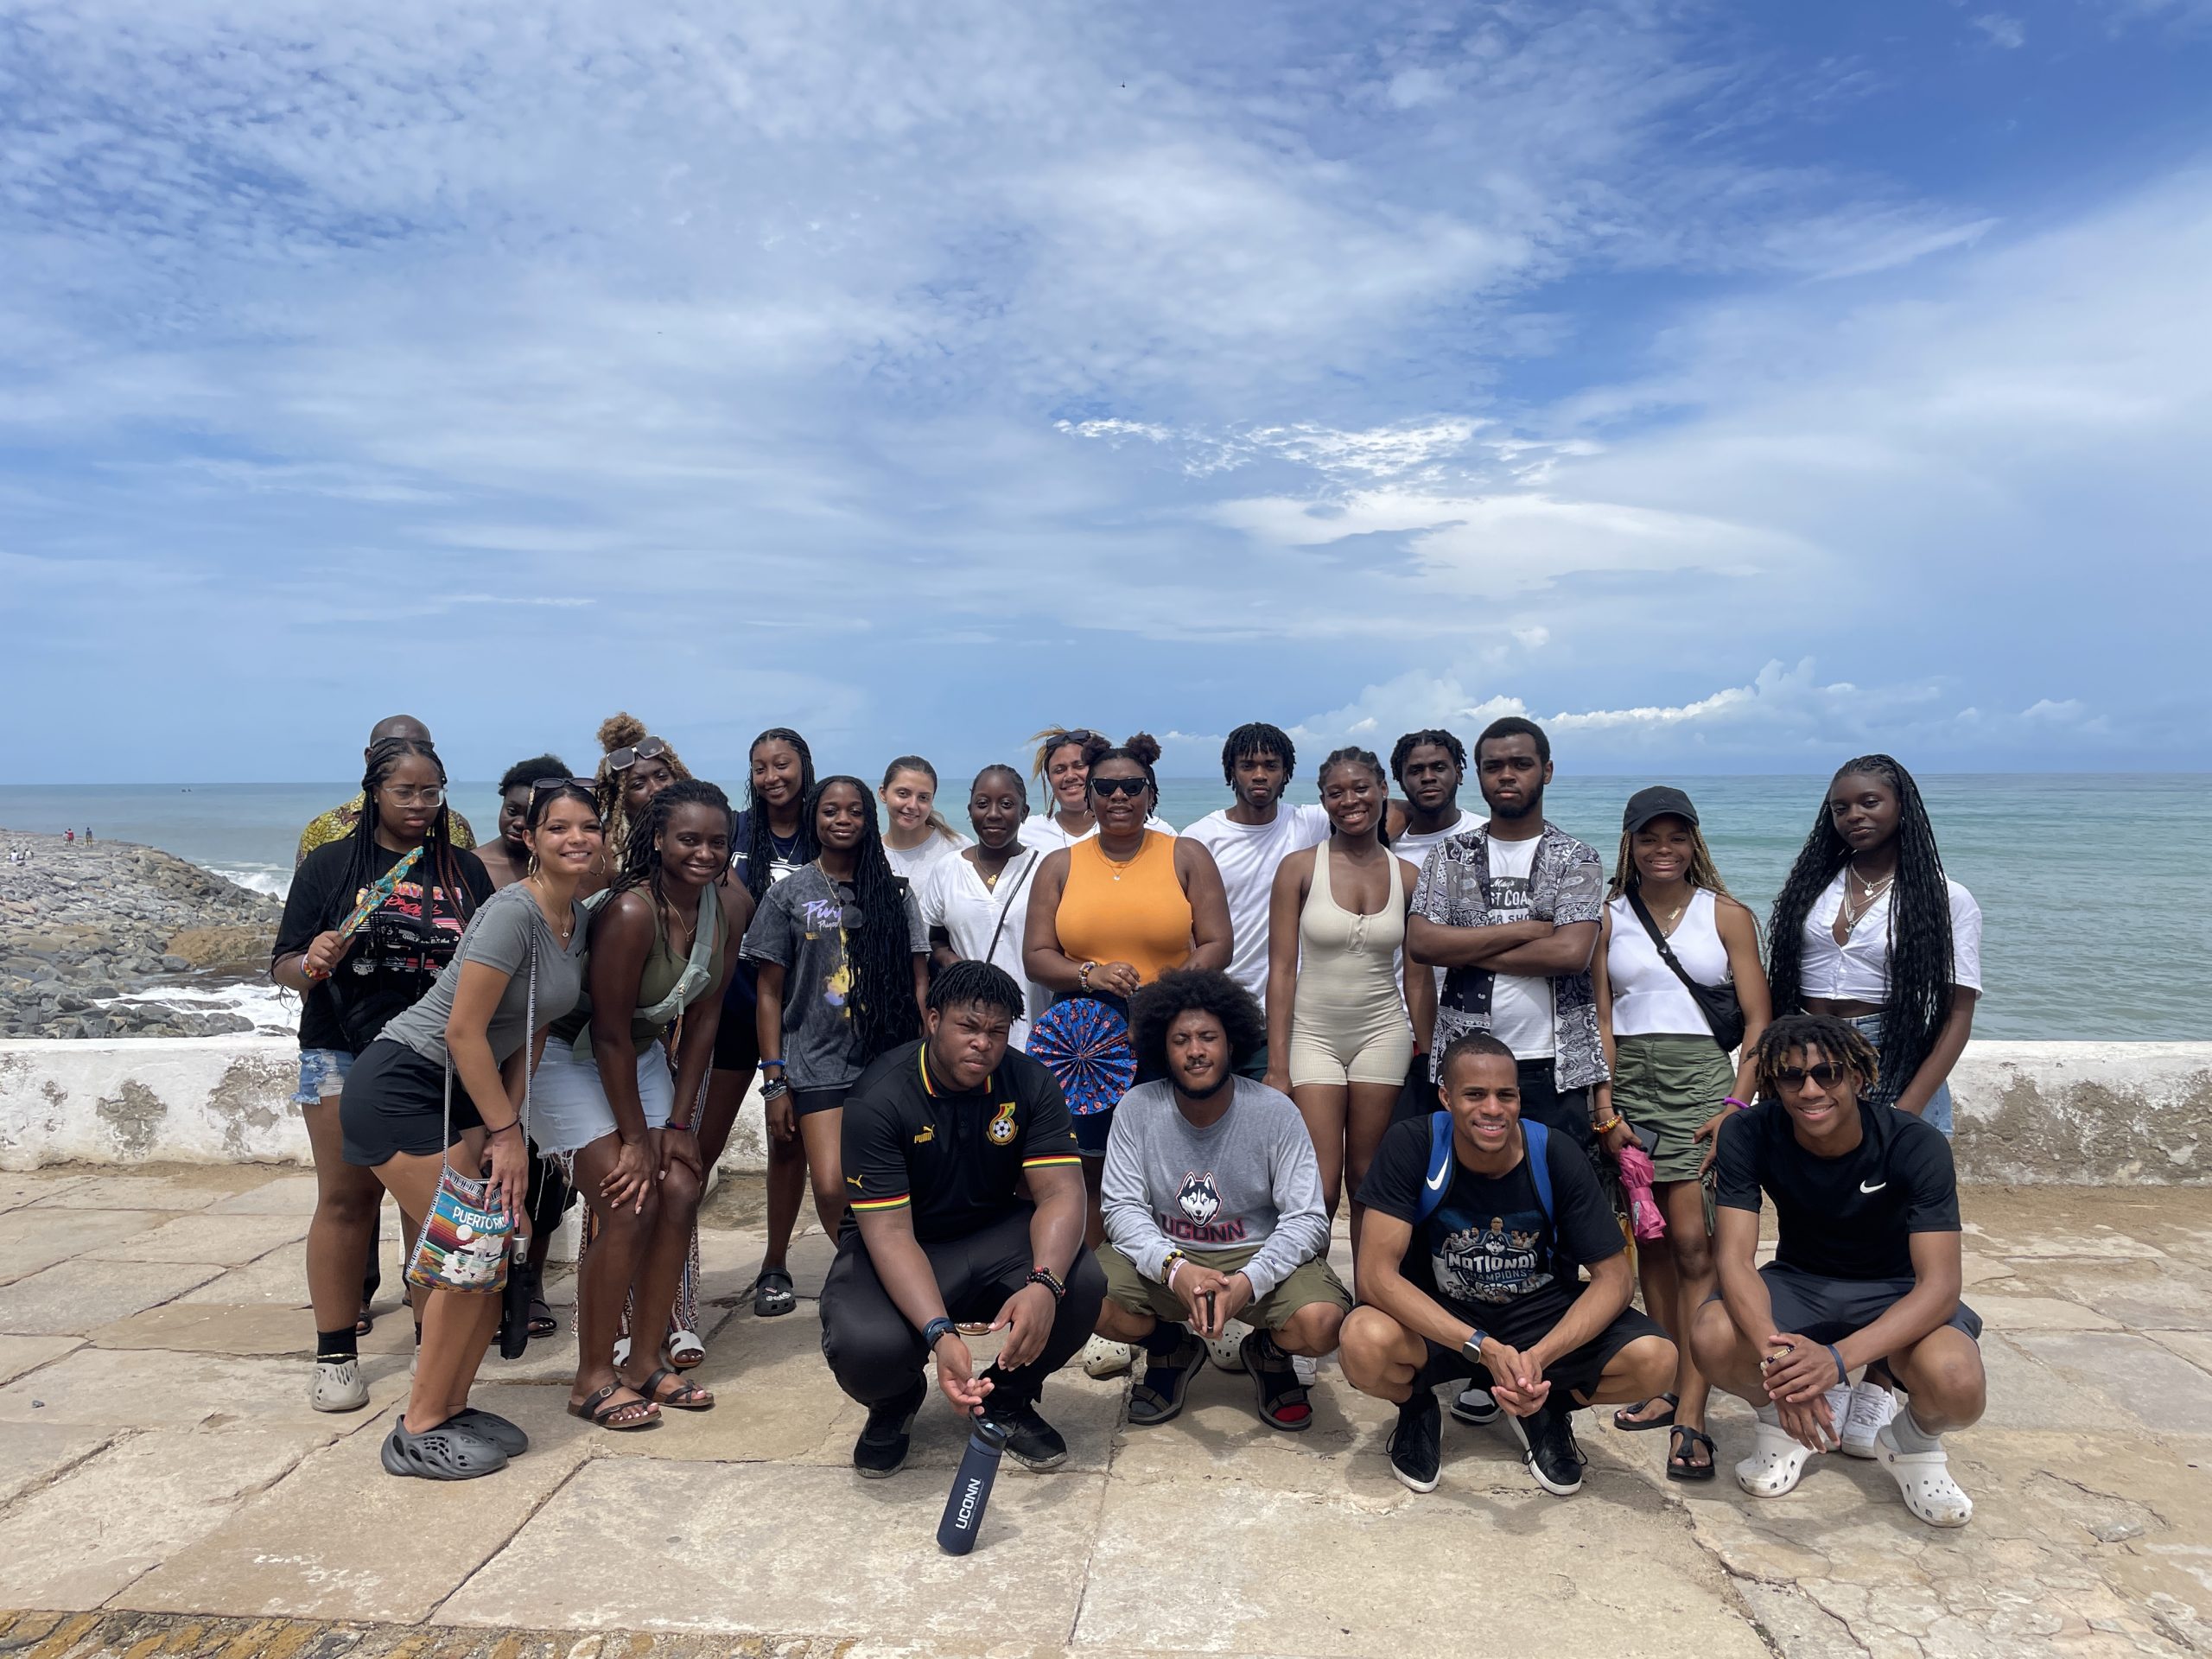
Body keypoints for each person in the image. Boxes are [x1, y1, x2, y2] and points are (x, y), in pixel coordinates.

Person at [340, 780, 601, 1479]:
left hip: (466, 1097)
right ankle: (417, 1424)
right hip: (405, 1083)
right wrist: (508, 1133)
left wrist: (501, 1129)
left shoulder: (573, 921)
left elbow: (528, 1037)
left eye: (588, 827)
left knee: (482, 1258)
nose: (575, 839)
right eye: (558, 828)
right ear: (531, 839)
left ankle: (451, 1404)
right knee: (469, 1253)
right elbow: (461, 1030)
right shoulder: (511, 913)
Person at [1340, 1033, 1675, 1498]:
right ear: (1446, 1097)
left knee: (1656, 1361)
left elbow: (1615, 1278)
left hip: (1537, 1317)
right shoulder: (1413, 1144)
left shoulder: (1553, 1151)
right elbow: (1376, 1275)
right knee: (1362, 1340)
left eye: (1506, 1094)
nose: (1493, 1109)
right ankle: (1417, 1408)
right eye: (1475, 1094)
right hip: (1444, 1315)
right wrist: (1481, 1346)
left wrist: (1540, 1359)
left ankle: (1546, 1406)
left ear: (1520, 1097)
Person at [1766, 755, 1983, 1451]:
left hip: (1894, 1052)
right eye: (1840, 807)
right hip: (1809, 1051)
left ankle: (1883, 1379)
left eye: (1868, 803)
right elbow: (1782, 988)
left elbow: (1955, 1014)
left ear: (1901, 807)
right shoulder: (1813, 887)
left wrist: (1909, 1108)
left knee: (1896, 1228)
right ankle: (1830, 1353)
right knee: (1820, 1208)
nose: (1854, 816)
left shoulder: (1944, 897)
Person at [1692, 1015, 1985, 1529]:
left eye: (1827, 1074)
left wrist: (1834, 1361)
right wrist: (1779, 1362)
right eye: (1791, 1078)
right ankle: (1780, 1425)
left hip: (1897, 1290)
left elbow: (1940, 1287)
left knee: (1957, 1383)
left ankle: (1910, 1444)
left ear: (1857, 1078)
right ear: (1771, 1086)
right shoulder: (1748, 1132)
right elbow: (1734, 1260)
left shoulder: (1915, 1144)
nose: (1810, 1090)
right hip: (1802, 1280)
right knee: (1712, 1332)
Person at [274, 735, 493, 1410]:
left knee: (432, 1212)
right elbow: (284, 966)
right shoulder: (330, 868)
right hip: (341, 1049)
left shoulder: (464, 872)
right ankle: (336, 1353)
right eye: (406, 792)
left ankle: (433, 1344)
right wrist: (311, 959)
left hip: (434, 1061)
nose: (421, 805)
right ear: (374, 791)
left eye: (433, 792)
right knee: (346, 1199)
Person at [820, 960, 1104, 1477]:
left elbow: (1062, 1194)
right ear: (932, 1020)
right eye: (968, 1027)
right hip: (905, 1241)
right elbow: (888, 1232)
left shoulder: (1030, 1082)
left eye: (997, 1031)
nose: (983, 1043)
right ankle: (895, 1402)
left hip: (993, 1234)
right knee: (865, 1346)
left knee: (1080, 1281)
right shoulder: (879, 1096)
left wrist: (1044, 1284)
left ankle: (1008, 1398)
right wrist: (939, 1333)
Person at [1023, 733, 1231, 1378]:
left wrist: (1166, 992)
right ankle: (1102, 1302)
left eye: (1130, 787)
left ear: (1150, 794)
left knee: (1175, 1164)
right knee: (1086, 1168)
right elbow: (1038, 955)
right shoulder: (1060, 865)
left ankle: (1194, 1293)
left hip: (1169, 1028)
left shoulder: (1185, 854)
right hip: (1085, 1039)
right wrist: (1088, 975)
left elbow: (1217, 941)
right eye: (1104, 787)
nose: (1117, 797)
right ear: (1087, 793)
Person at [535, 781, 734, 1428]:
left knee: (679, 1188)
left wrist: (680, 1125)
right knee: (629, 1199)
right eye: (689, 839)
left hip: (640, 1055)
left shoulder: (725, 906)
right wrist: (636, 1139)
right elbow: (609, 1032)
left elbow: (703, 1020)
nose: (704, 853)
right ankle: (590, 1376)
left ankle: (645, 1361)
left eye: (717, 841)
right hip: (572, 1056)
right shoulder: (631, 913)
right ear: (657, 840)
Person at [1590, 785, 1772, 1480]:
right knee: (1655, 1245)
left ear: (1695, 842)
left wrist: (1736, 1102)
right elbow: (1601, 1019)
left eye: (1676, 837)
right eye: (1648, 838)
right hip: (1631, 1078)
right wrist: (1605, 1106)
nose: (1662, 850)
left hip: (1701, 1079)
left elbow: (1759, 1020)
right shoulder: (1608, 918)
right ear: (1629, 844)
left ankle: (1693, 1410)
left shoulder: (1726, 916)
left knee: (1698, 1247)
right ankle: (1667, 1379)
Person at [1097, 969, 1348, 1432]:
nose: (1196, 1051)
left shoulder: (1274, 1112)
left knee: (1322, 1324)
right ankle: (1168, 1347)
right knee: (1083, 1294)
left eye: (1208, 1037)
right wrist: (1175, 1269)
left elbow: (1308, 1217)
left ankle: (1270, 1352)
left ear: (1232, 1042)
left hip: (1256, 1254)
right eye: (1181, 1040)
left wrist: (1250, 1281)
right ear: (1162, 1048)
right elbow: (1121, 1210)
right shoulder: (1136, 1109)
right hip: (1171, 1253)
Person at [742, 775, 930, 1254]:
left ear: (869, 819)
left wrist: (927, 1055)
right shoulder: (787, 894)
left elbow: (918, 982)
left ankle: (886, 1270)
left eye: (854, 811)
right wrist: (774, 1079)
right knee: (830, 1184)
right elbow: (768, 992)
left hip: (890, 1057)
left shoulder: (896, 894)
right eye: (830, 810)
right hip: (815, 1059)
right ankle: (860, 1264)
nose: (843, 820)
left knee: (898, 1180)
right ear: (814, 817)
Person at [1406, 718, 1605, 1158]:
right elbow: (1422, 944)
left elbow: (1571, 953)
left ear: (1546, 771)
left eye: (1521, 764)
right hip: (1465, 1059)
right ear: (1478, 775)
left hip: (1553, 1061)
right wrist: (1523, 932)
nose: (1507, 775)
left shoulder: (1576, 857)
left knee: (1556, 1193)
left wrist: (1465, 948)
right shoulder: (1450, 856)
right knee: (1466, 1194)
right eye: (1494, 766)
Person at [1264, 747, 1431, 1236]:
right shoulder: (1298, 868)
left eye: (1361, 788)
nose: (1350, 800)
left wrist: (1429, 1057)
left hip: (1383, 1032)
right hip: (1313, 1034)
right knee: (1319, 1186)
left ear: (1383, 790)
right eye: (1335, 793)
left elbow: (1417, 977)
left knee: (1367, 1179)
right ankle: (1313, 1302)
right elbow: (1281, 971)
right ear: (1323, 801)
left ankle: (1368, 1304)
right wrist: (1277, 1066)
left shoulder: (1408, 877)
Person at [721, 728, 810, 1319]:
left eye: (782, 764)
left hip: (802, 1004)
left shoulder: (824, 827)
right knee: (698, 1139)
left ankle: (775, 1262)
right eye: (760, 767)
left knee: (789, 1139)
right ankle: (677, 1268)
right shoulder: (734, 830)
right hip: (734, 1000)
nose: (772, 776)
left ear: (803, 764)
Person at [1179, 722, 1331, 1065]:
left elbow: (1372, 806)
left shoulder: (1311, 824)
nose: (1259, 775)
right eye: (1248, 766)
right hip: (1223, 1007)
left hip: (1297, 1012)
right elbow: (1187, 926)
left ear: (1286, 772)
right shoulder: (1202, 836)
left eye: (1271, 765)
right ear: (1231, 772)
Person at [918, 765, 1048, 1050]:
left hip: (1036, 1025)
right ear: (970, 810)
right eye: (982, 803)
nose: (993, 813)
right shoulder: (948, 869)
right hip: (969, 1027)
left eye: (1006, 804)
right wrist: (953, 963)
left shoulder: (1047, 868)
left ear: (1024, 812)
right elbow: (933, 939)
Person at [1384, 728, 1471, 1122]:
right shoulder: (1386, 848)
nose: (1428, 777)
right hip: (1394, 1022)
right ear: (1401, 781)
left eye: (1439, 767)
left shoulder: (1482, 837)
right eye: (1415, 770)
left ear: (1460, 772)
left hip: (1469, 1016)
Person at [297, 715, 476, 867]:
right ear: (370, 757)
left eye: (421, 748)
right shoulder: (324, 827)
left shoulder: (455, 826)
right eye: (393, 748)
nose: (409, 753)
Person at [1021, 726, 1174, 851]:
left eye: (1079, 766)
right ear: (1049, 779)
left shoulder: (1152, 831)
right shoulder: (1025, 831)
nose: (1070, 776)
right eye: (1059, 770)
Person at [585, 715, 691, 893]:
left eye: (662, 776)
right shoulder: (606, 849)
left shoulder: (699, 832)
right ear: (620, 798)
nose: (656, 788)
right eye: (638, 785)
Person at [475, 755, 571, 889]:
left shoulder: (568, 865)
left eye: (532, 816)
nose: (520, 823)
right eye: (512, 811)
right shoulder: (472, 866)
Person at [878, 756, 970, 881]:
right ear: (883, 794)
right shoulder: (870, 852)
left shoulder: (958, 849)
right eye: (903, 794)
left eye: (923, 798)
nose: (912, 805)